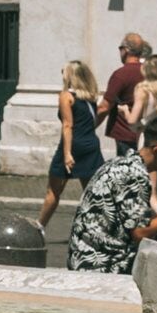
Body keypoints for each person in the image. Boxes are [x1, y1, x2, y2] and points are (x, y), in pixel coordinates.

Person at [66, 114, 157, 274]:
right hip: (103, 265)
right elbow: (140, 233)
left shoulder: (120, 163)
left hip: (84, 258)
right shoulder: (135, 175)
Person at [36, 58, 106, 228]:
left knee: (53, 191)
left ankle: (40, 226)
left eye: (64, 72)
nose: (62, 75)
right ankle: (100, 228)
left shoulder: (66, 96)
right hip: (91, 145)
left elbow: (68, 125)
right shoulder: (90, 98)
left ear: (70, 76)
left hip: (73, 145)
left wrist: (67, 153)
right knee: (92, 193)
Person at [100, 32, 152, 149]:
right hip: (146, 133)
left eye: (120, 48)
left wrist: (90, 126)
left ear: (126, 50)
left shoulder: (121, 74)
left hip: (125, 133)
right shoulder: (149, 73)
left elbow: (104, 107)